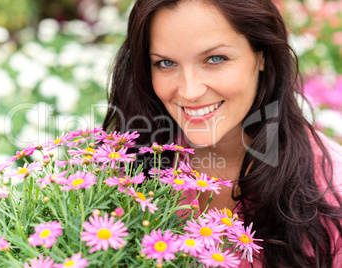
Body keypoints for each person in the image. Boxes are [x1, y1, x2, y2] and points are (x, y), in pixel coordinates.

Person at [102, 0, 342, 267]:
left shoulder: (332, 189)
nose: (189, 91)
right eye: (166, 63)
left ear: (262, 55)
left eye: (215, 59)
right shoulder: (123, 169)